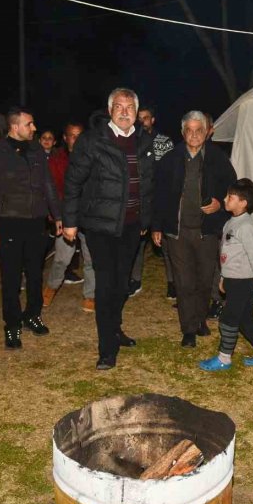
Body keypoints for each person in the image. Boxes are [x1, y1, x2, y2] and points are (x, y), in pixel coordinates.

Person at [63, 88, 154, 370]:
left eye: (129, 107)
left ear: (137, 113)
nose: (124, 111)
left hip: (131, 226)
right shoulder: (93, 141)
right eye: (118, 106)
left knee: (121, 284)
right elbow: (73, 181)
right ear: (110, 110)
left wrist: (145, 220)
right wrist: (69, 220)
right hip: (101, 226)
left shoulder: (144, 140)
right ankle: (106, 348)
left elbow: (148, 182)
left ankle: (115, 328)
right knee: (105, 285)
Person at [152, 111, 236, 348]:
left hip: (206, 230)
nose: (194, 135)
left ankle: (200, 320)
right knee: (184, 281)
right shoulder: (170, 159)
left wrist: (220, 203)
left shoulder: (218, 158)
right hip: (177, 231)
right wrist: (156, 226)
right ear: (182, 132)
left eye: (199, 130)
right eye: (189, 130)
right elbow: (158, 194)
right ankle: (188, 328)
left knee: (204, 278)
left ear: (207, 132)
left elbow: (232, 188)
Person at [0, 106, 61, 350]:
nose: (34, 128)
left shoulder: (36, 150)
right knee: (12, 278)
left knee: (36, 273)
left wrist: (57, 214)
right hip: (9, 221)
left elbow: (48, 184)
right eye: (30, 124)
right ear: (15, 127)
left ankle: (32, 315)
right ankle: (12, 325)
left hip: (36, 221)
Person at [199, 178, 253, 371]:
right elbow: (227, 255)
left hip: (244, 282)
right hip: (233, 280)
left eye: (230, 197)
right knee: (245, 319)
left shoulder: (246, 227)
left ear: (243, 203)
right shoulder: (231, 223)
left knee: (228, 319)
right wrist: (224, 278)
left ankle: (224, 358)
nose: (225, 200)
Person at [44, 121, 95, 312]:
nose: (76, 139)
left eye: (79, 135)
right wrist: (57, 216)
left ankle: (90, 295)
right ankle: (51, 287)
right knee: (61, 258)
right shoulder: (57, 161)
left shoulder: (92, 158)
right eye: (72, 135)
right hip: (67, 218)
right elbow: (53, 191)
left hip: (89, 218)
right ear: (65, 138)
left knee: (91, 259)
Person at [128, 106, 175, 298]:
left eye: (146, 118)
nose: (142, 122)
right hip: (139, 200)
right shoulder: (131, 142)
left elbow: (169, 172)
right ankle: (135, 280)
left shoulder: (163, 141)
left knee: (167, 243)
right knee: (136, 243)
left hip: (160, 199)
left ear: (153, 120)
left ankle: (173, 282)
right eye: (139, 118)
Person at [204, 112, 224, 320]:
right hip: (191, 221)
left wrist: (218, 202)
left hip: (214, 221)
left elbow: (229, 185)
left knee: (214, 263)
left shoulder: (218, 156)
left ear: (211, 130)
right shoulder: (182, 153)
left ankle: (218, 301)